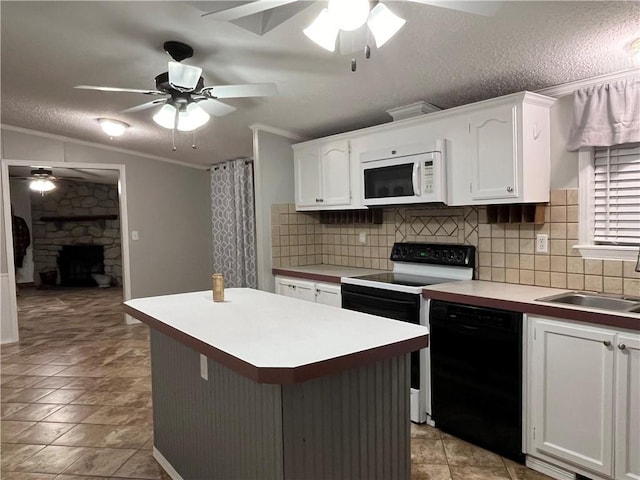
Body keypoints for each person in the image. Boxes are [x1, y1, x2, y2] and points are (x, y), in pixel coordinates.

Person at [12, 208, 31, 294]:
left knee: (16, 269)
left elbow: (26, 235)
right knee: (13, 270)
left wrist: (24, 247)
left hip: (19, 250)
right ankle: (14, 287)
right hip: (11, 252)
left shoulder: (20, 221)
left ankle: (14, 287)